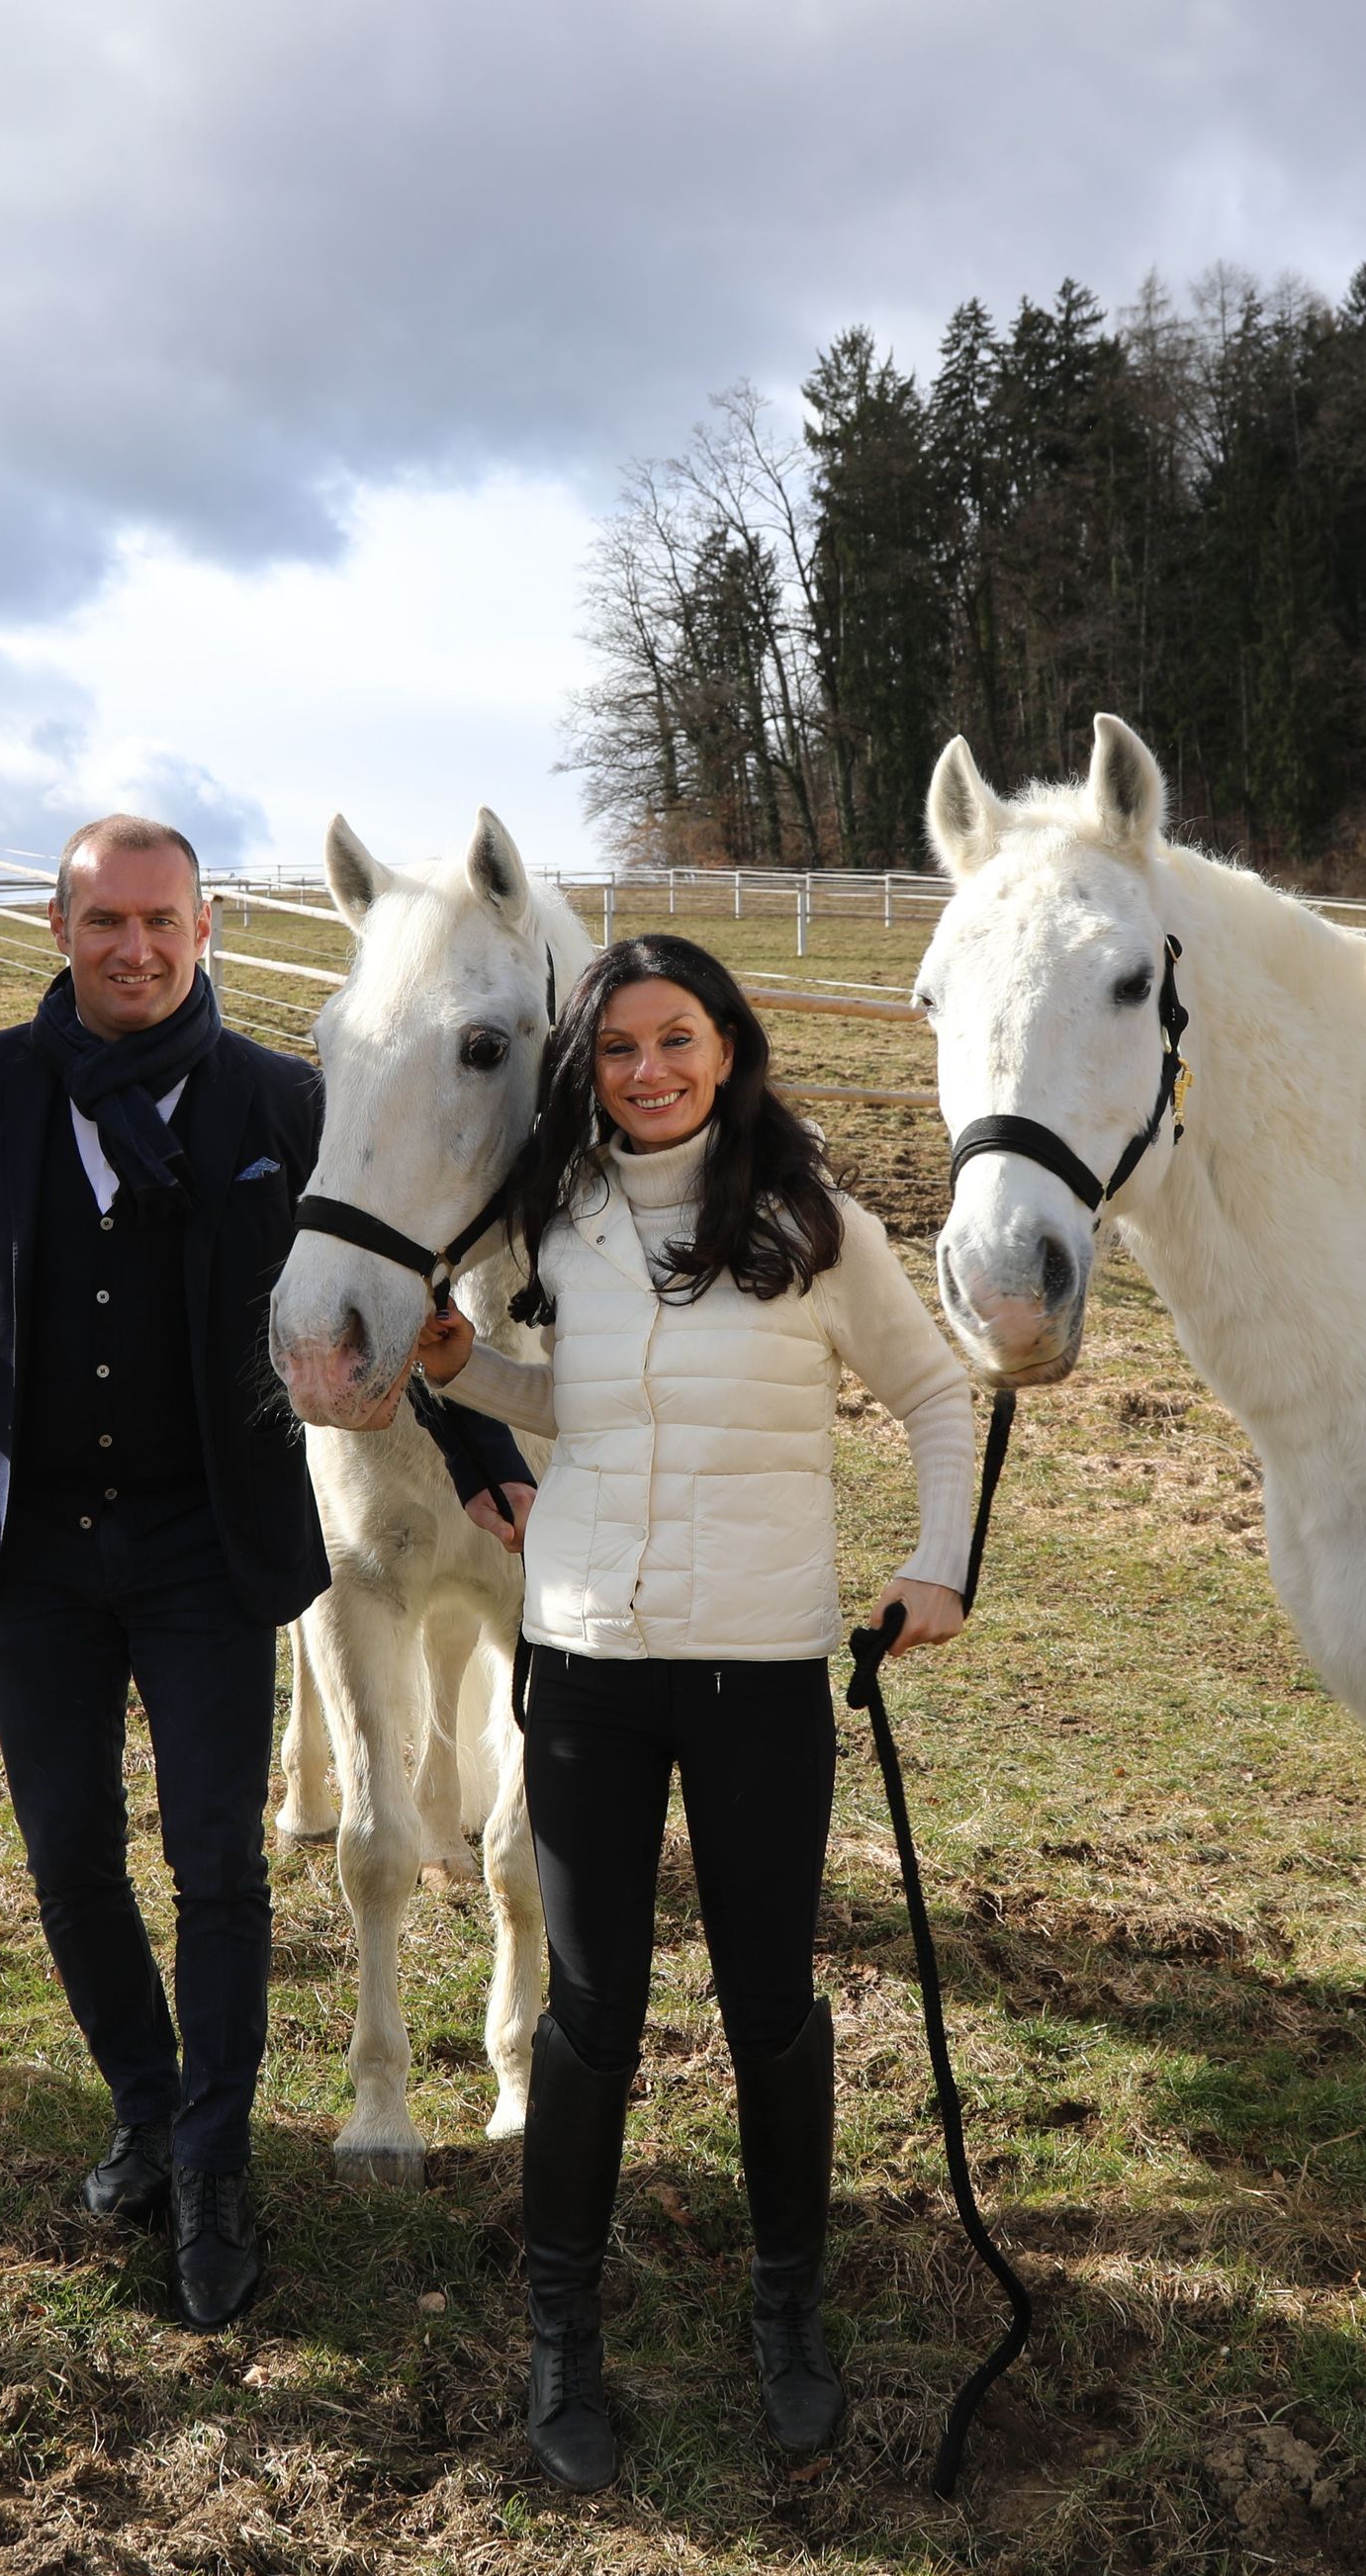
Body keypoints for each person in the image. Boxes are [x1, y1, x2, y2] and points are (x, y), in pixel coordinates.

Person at [0, 814, 529, 2331]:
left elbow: (402, 1281)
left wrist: (483, 1456)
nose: (134, 949)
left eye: (162, 922)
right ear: (63, 936)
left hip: (208, 1549)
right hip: (31, 1548)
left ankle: (215, 2165)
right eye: (104, 924)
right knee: (70, 1856)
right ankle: (150, 2107)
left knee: (215, 1865)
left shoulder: (283, 1102)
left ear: (203, 932)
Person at [408, 933, 976, 2490]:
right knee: (591, 2016)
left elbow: (936, 1395)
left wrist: (941, 1567)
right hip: (585, 1666)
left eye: (676, 1040)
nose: (647, 1072)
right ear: (584, 1070)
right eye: (615, 1050)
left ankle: (789, 2316)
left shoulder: (810, 1219)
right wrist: (475, 1373)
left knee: (767, 2000)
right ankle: (559, 2334)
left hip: (761, 1672)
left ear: (728, 1046)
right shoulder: (560, 1218)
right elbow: (572, 1409)